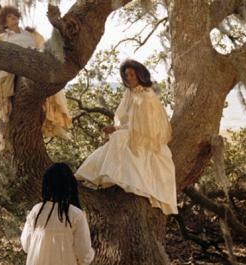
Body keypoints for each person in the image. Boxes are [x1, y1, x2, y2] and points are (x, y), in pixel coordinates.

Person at [75, 59, 178, 215]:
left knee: (119, 138)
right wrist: (116, 128)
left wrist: (117, 129)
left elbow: (143, 125)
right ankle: (97, 177)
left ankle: (118, 177)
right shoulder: (130, 93)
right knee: (116, 139)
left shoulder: (147, 96)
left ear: (139, 74)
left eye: (131, 74)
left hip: (144, 136)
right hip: (129, 131)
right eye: (126, 75)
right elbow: (125, 118)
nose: (129, 77)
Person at [0, 6, 72, 139]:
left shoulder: (29, 34)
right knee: (4, 78)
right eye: (10, 17)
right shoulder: (2, 37)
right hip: (16, 67)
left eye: (15, 15)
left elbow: (41, 47)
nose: (14, 18)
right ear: (5, 23)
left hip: (33, 65)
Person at [21, 163, 95, 265]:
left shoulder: (36, 211)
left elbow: (26, 245)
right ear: (70, 186)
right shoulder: (76, 215)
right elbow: (84, 254)